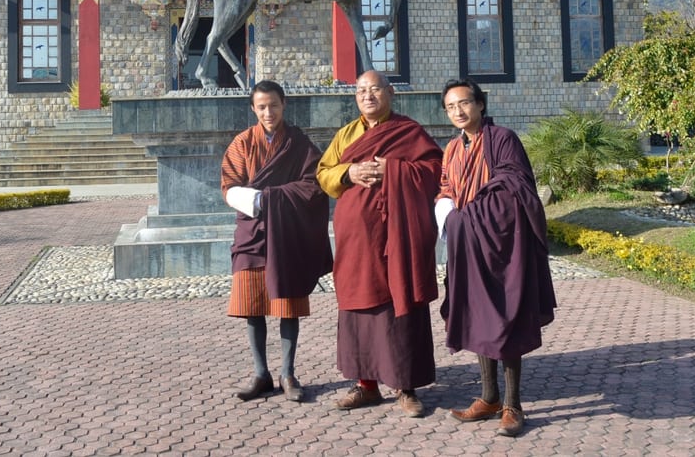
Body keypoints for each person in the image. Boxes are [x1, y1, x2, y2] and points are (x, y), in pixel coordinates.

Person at [316, 69, 443, 418]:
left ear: (390, 93)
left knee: (400, 301)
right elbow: (324, 174)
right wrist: (349, 173)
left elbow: (435, 170)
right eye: (360, 91)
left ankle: (406, 387)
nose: (367, 96)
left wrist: (394, 169)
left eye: (374, 89)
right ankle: (366, 385)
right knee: (359, 304)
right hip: (357, 237)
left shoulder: (409, 131)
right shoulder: (346, 135)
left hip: (399, 234)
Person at [435, 78, 557, 438]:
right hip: (467, 246)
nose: (458, 111)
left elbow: (514, 184)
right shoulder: (452, 150)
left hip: (502, 247)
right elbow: (446, 187)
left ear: (481, 105)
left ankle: (513, 405)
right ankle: (488, 397)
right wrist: (448, 211)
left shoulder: (502, 139)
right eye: (451, 106)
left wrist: (466, 215)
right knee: (477, 318)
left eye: (464, 103)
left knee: (506, 321)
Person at [221, 80, 334, 403]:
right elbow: (230, 185)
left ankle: (287, 372)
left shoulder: (299, 144)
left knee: (287, 305)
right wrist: (258, 202)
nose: (268, 112)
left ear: (284, 105)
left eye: (273, 105)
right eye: (261, 107)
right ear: (253, 109)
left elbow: (314, 183)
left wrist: (271, 198)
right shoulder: (242, 144)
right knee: (252, 305)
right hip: (252, 233)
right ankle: (261, 373)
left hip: (287, 233)